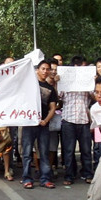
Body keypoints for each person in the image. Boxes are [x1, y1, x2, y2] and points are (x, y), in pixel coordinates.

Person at [21, 60, 59, 189]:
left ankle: (45, 179)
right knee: (27, 153)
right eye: (43, 68)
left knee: (44, 153)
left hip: (43, 125)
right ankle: (26, 178)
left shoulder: (50, 89)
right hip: (28, 124)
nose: (45, 71)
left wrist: (45, 121)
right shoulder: (29, 85)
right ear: (37, 70)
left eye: (47, 69)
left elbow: (53, 108)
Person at [59, 56, 94, 186]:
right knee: (68, 150)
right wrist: (58, 81)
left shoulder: (89, 82)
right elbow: (58, 96)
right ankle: (69, 175)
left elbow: (95, 97)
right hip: (68, 119)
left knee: (86, 150)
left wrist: (92, 83)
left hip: (84, 119)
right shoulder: (65, 82)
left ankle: (88, 174)